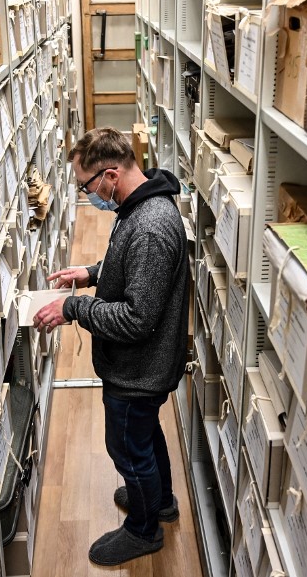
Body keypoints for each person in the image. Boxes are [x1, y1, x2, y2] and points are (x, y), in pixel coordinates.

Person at [32, 128, 190, 566]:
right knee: (145, 434)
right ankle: (161, 502)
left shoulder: (150, 226)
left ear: (111, 175)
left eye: (87, 186)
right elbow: (133, 267)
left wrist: (74, 308)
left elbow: (138, 318)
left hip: (139, 368)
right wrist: (92, 273)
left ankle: (144, 530)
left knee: (127, 448)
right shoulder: (139, 204)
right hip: (143, 365)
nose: (88, 195)